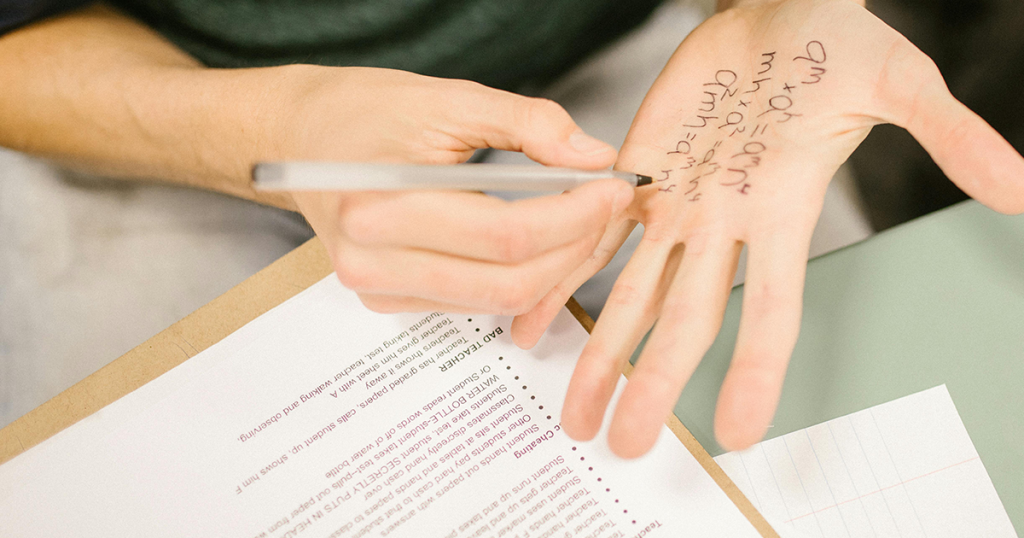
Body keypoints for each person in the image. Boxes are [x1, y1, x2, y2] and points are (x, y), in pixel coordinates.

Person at [1, 0, 1021, 459]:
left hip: (666, 76)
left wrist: (780, 8)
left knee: (807, 416)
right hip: (164, 114)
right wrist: (282, 130)